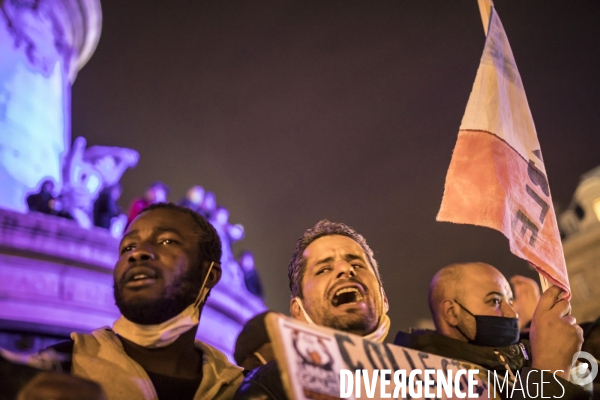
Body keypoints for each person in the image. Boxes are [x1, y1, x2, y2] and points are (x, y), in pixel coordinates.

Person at [40, 203, 243, 400]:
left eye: (167, 241)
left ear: (209, 275)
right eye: (128, 247)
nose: (137, 253)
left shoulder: (242, 390)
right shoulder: (54, 371)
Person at [235, 219, 390, 399]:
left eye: (357, 265)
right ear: (298, 311)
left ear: (384, 297)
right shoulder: (270, 389)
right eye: (324, 269)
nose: (346, 269)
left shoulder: (424, 376)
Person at [394, 262, 589, 399]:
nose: (512, 313)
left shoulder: (520, 356)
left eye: (510, 301)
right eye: (495, 301)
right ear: (451, 312)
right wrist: (550, 369)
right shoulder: (427, 382)